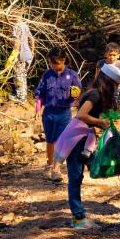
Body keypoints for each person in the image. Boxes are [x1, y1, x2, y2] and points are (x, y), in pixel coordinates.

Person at [65, 63, 120, 229]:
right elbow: (81, 115)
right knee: (75, 177)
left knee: (80, 175)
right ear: (108, 82)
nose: (116, 88)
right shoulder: (95, 95)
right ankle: (78, 219)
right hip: (76, 138)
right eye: (115, 85)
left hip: (83, 138)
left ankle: (79, 216)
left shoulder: (95, 93)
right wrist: (100, 122)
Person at [34, 47, 82, 182]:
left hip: (64, 113)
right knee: (50, 140)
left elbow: (78, 93)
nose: (53, 66)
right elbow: (40, 93)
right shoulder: (47, 75)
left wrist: (76, 95)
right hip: (49, 113)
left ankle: (56, 169)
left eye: (55, 63)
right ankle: (49, 164)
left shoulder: (72, 75)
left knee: (61, 141)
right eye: (50, 63)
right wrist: (38, 107)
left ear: (63, 60)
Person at [10, 19, 35, 103]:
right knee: (23, 75)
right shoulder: (24, 25)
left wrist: (13, 56)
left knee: (18, 76)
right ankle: (23, 96)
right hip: (28, 54)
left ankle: (21, 98)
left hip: (20, 55)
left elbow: (17, 43)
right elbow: (32, 39)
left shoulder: (16, 26)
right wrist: (32, 51)